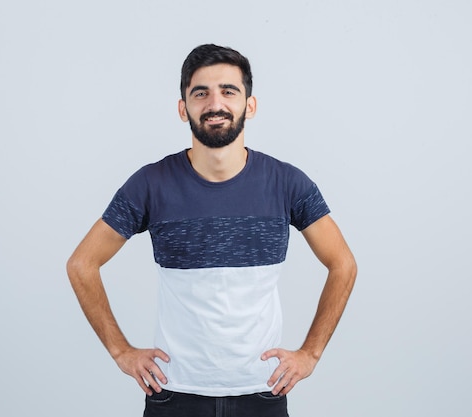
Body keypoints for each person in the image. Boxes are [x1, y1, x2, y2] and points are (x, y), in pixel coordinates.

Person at [67, 44, 357, 417]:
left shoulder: (287, 184)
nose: (214, 103)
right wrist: (121, 352)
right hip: (174, 395)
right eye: (200, 93)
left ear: (249, 106)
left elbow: (343, 264)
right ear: (182, 107)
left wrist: (310, 353)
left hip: (262, 393)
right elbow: (82, 264)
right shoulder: (150, 184)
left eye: (228, 91)